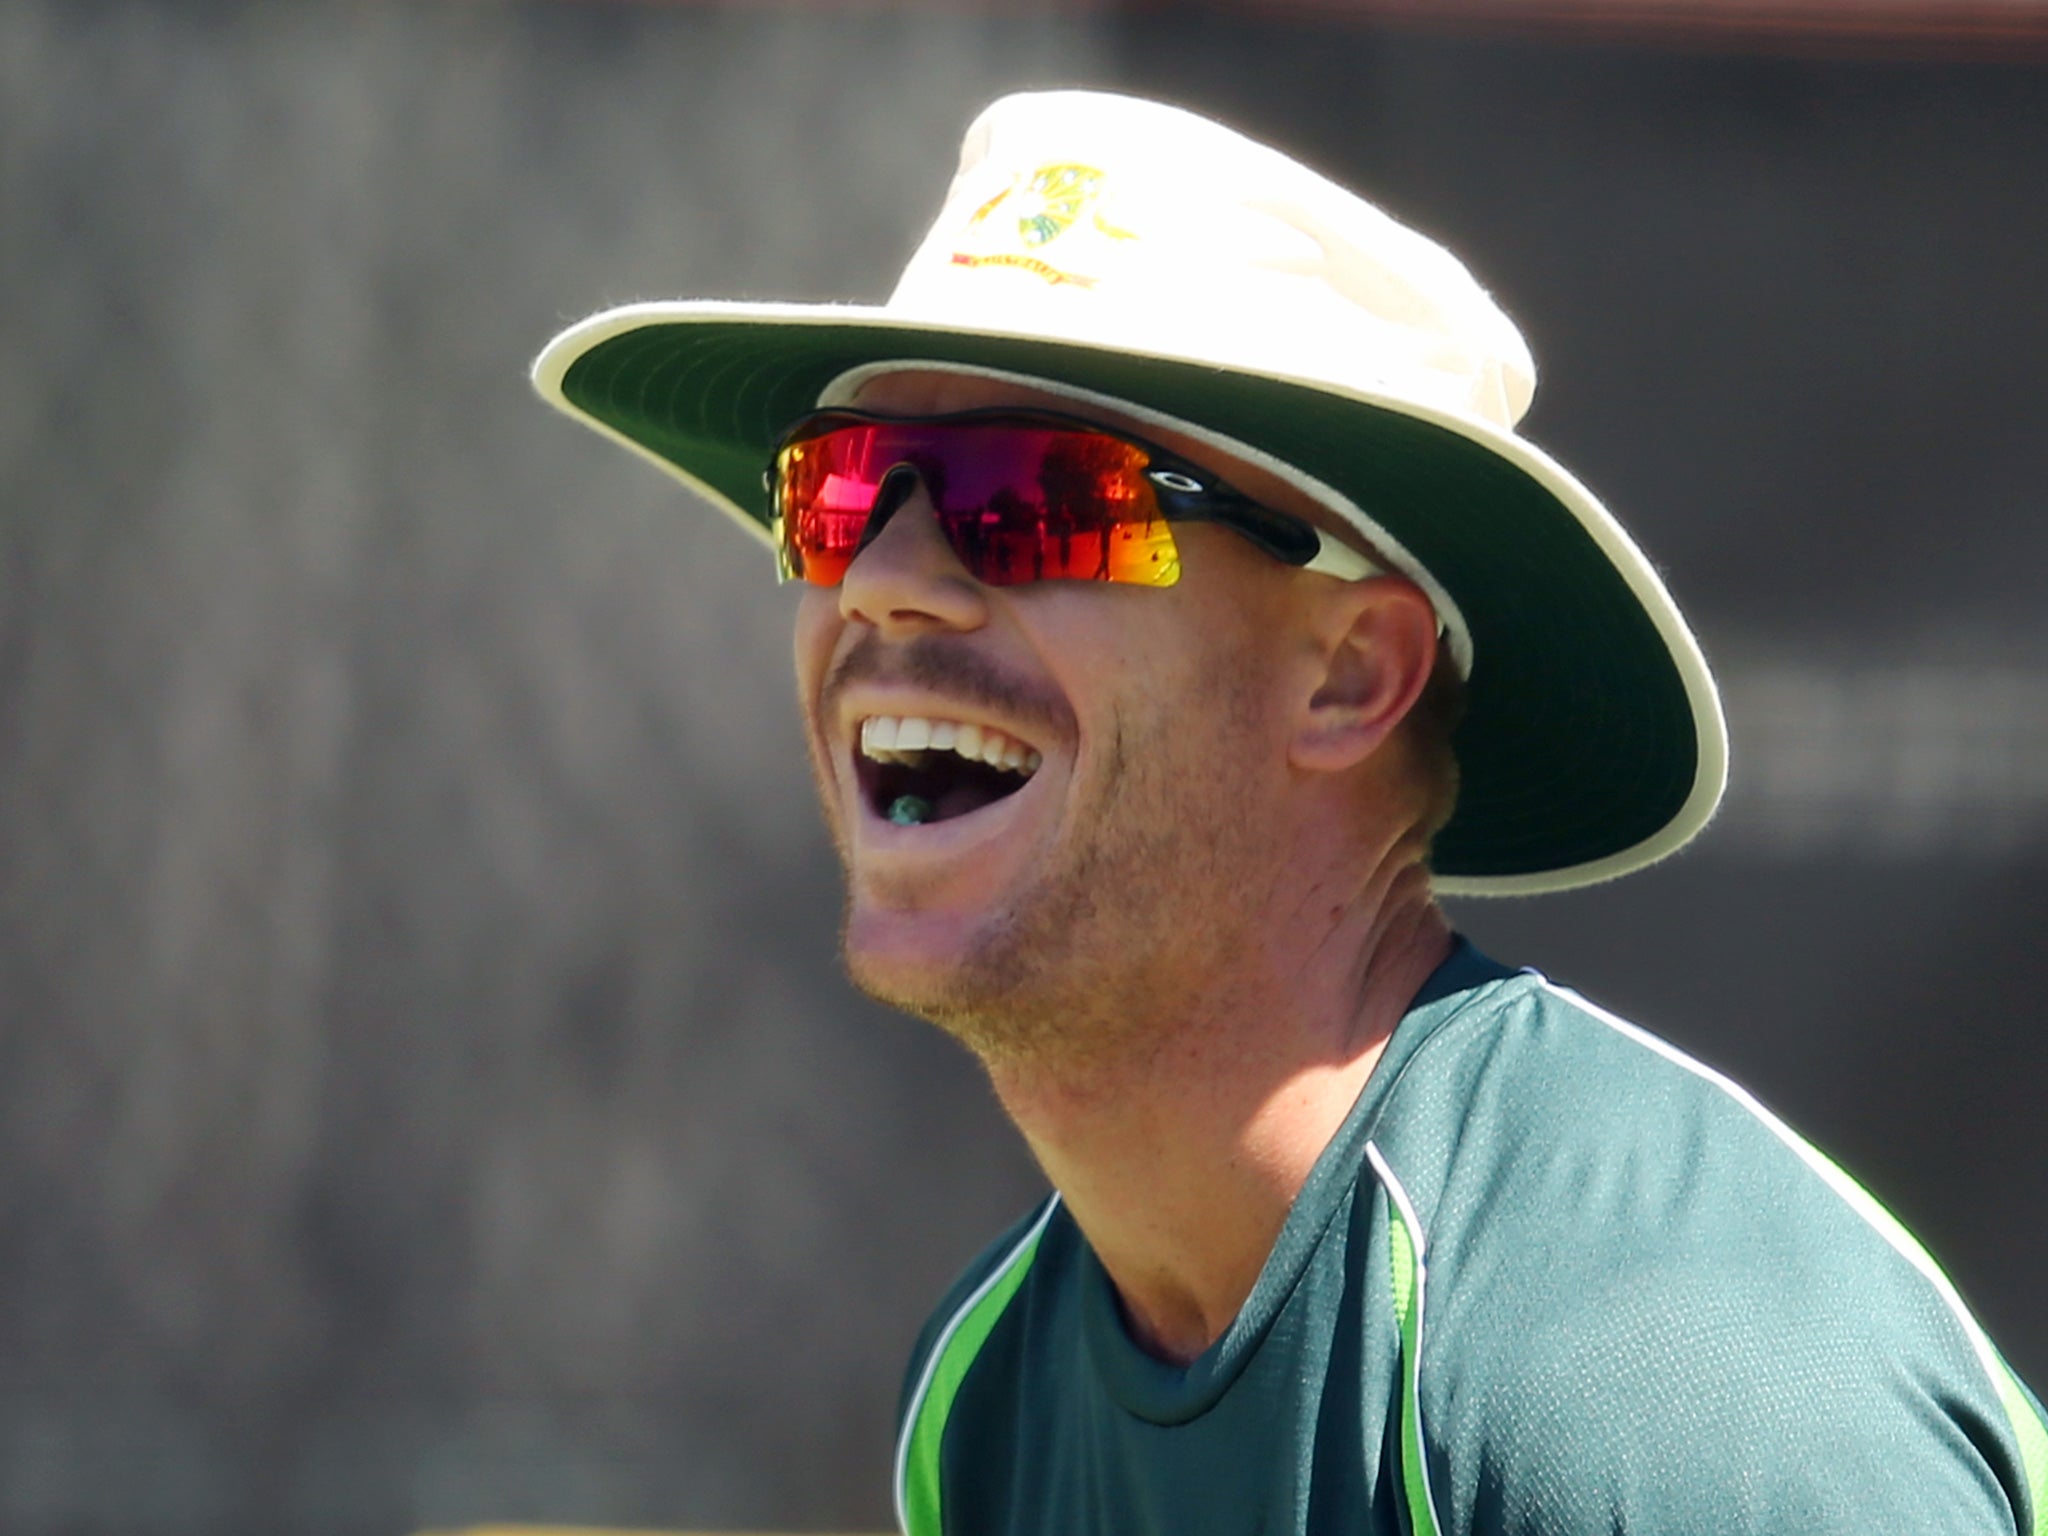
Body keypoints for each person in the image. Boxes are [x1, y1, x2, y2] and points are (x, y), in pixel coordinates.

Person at [534, 91, 2046, 1535]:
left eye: (1039, 497)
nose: (882, 580)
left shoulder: (1656, 1395)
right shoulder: (985, 1397)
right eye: (845, 492)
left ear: (1346, 674)